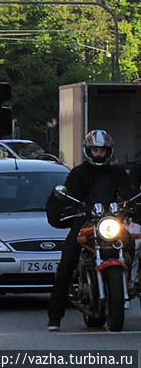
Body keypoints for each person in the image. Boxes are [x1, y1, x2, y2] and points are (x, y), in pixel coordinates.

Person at [47, 129, 134, 331]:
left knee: (130, 246)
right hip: (85, 222)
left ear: (109, 151)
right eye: (95, 150)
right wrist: (72, 207)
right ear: (88, 150)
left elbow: (127, 192)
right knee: (67, 263)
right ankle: (55, 317)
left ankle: (129, 282)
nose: (99, 154)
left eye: (102, 150)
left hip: (111, 222)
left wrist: (131, 203)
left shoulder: (117, 172)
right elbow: (69, 195)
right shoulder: (78, 173)